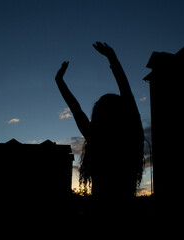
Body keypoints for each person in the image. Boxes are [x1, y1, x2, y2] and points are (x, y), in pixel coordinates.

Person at [55, 42, 144, 208]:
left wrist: (59, 81)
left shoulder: (97, 139)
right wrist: (112, 58)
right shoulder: (133, 137)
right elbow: (127, 93)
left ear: (97, 117)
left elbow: (76, 109)